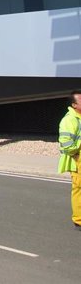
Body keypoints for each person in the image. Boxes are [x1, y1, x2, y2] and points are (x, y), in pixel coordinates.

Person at [58, 90, 81, 231]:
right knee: (79, 190)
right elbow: (66, 145)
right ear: (74, 105)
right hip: (78, 159)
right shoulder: (69, 120)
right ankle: (79, 220)